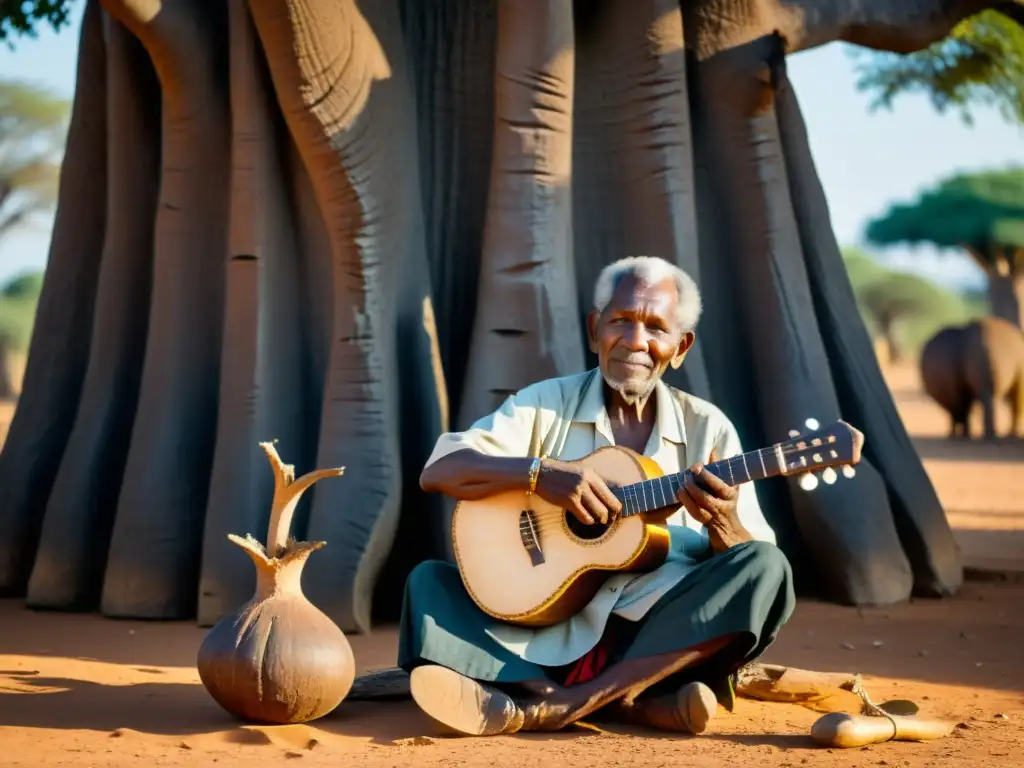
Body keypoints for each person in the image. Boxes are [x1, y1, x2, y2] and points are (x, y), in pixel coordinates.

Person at [397, 255, 795, 737]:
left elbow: (748, 565)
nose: (635, 341)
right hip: (534, 628)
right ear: (594, 330)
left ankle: (561, 703)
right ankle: (625, 706)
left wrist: (722, 522)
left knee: (768, 566)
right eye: (620, 321)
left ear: (681, 346)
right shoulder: (543, 404)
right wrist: (538, 474)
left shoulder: (707, 428)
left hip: (651, 637)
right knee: (429, 583)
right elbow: (441, 469)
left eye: (655, 327)